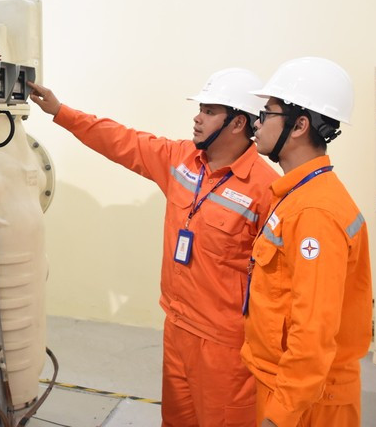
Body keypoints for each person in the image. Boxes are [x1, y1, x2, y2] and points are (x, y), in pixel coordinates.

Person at [29, 69, 279, 426]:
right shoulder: (181, 160)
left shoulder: (265, 189)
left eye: (209, 111)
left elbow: (280, 281)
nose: (197, 117)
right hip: (177, 326)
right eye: (200, 109)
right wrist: (60, 111)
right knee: (176, 420)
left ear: (238, 123)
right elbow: (121, 140)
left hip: (225, 344)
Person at [241, 57, 373, 427]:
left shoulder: (315, 212)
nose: (256, 124)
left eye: (267, 114)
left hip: (307, 402)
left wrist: (281, 414)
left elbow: (314, 329)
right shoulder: (298, 195)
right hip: (289, 386)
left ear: (299, 125)